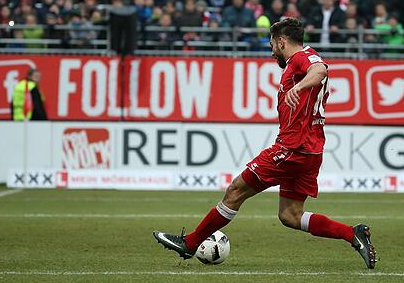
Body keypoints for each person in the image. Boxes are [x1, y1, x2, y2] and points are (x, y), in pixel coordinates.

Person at [153, 18, 376, 269]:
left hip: (292, 148)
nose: (271, 52)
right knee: (290, 216)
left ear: (282, 42)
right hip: (310, 151)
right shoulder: (300, 60)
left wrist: (299, 87)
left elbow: (320, 70)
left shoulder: (301, 58)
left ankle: (190, 243)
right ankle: (352, 233)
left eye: (272, 45)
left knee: (235, 190)